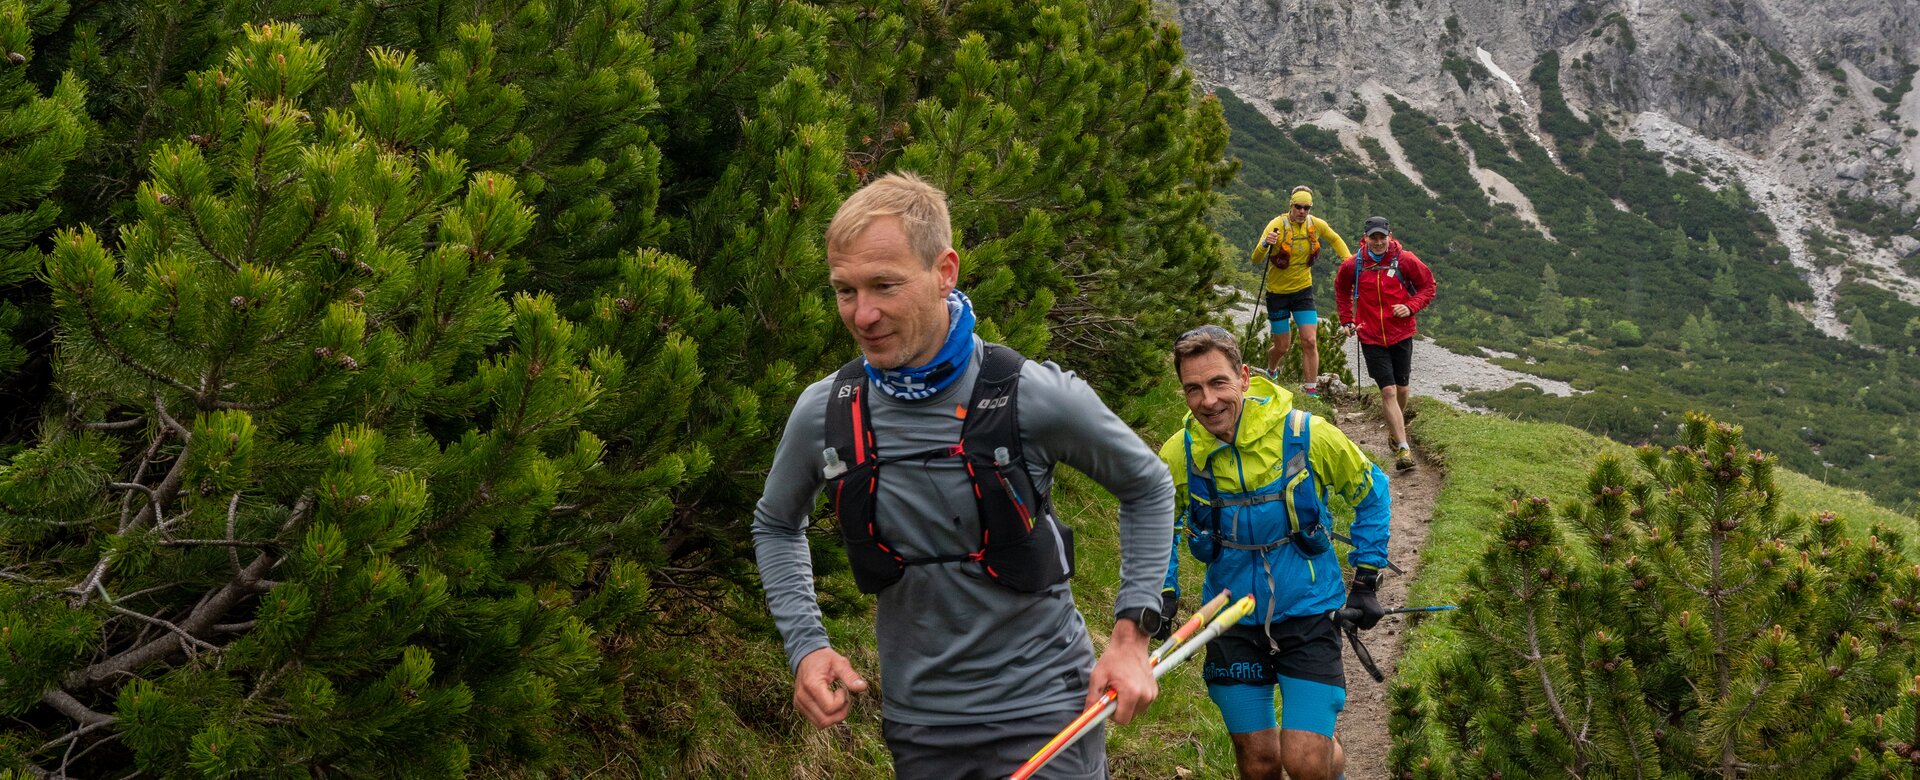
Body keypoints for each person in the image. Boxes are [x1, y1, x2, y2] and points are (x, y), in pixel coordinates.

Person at [751, 172, 1175, 779]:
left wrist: (1133, 636)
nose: (862, 314)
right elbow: (775, 523)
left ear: (944, 271)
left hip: (1048, 713)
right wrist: (807, 647)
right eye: (844, 291)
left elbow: (1148, 485)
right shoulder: (827, 410)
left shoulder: (1032, 395)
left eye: (885, 285)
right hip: (919, 727)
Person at [1157, 325, 1391, 780]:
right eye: (1194, 389)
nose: (1208, 400)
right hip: (1229, 619)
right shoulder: (1179, 454)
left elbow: (1372, 491)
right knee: (1259, 761)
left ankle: (1322, 751)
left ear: (1244, 377)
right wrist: (1163, 590)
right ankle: (1319, 743)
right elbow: (1155, 524)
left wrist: (1365, 578)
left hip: (1308, 612)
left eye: (1219, 382)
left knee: (1304, 760)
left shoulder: (1306, 434)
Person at [1334, 216, 1435, 472]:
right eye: (1373, 237)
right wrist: (1347, 320)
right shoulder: (1354, 265)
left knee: (1402, 390)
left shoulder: (1405, 260)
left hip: (1401, 333)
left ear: (1390, 236)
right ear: (1365, 238)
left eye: (1382, 237)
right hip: (1370, 336)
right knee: (1388, 391)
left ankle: (1394, 430)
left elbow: (1428, 287)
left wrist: (1410, 307)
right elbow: (1342, 289)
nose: (1378, 242)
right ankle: (1403, 448)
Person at [1249, 186, 1351, 396]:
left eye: (1307, 207)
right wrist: (1265, 245)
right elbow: (1255, 259)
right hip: (1277, 294)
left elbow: (1335, 239)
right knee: (1282, 347)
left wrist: (1348, 261)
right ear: (1291, 206)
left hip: (1303, 291)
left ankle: (1311, 390)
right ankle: (1272, 369)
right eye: (1299, 207)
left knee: (1309, 340)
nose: (1303, 211)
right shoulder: (1277, 225)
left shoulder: (1315, 225)